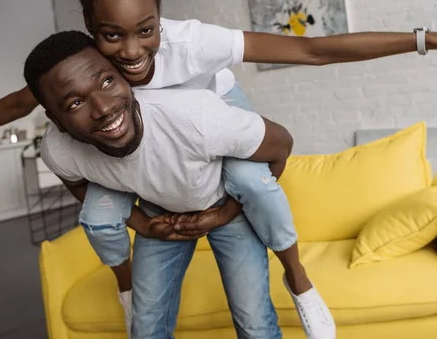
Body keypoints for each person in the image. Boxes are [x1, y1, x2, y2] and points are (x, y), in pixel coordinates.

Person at [0, 0, 437, 338]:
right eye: (112, 36)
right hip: (144, 150)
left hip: (213, 121)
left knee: (254, 180)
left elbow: (315, 50)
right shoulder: (88, 70)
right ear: (90, 29)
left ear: (161, 18)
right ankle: (129, 288)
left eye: (146, 29)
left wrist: (432, 38)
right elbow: (23, 99)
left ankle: (300, 283)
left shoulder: (193, 44)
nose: (131, 51)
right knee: (99, 211)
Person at [25, 29, 297, 338]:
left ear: (123, 75)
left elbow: (281, 145)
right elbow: (76, 184)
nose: (103, 109)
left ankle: (300, 285)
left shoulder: (195, 116)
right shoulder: (59, 149)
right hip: (160, 212)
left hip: (224, 202)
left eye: (106, 81)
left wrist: (226, 213)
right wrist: (142, 224)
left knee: (254, 323)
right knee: (146, 326)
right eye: (75, 104)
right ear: (56, 121)